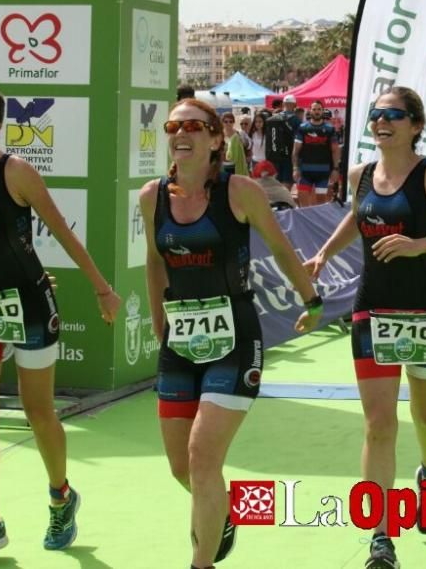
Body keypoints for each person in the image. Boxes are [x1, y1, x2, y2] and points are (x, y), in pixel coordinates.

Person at [305, 87, 426, 569]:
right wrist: (324, 252)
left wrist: (421, 244)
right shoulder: (361, 175)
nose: (381, 122)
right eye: (376, 115)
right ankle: (381, 537)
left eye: (393, 115)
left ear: (414, 125)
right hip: (373, 312)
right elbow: (357, 216)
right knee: (379, 425)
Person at [0, 83, 122, 560]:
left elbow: (62, 232)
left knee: (38, 412)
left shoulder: (16, 172)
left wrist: (102, 289)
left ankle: (61, 496)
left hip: (30, 306)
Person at [139, 98, 321, 569]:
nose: (182, 133)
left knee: (202, 457)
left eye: (194, 126)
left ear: (217, 139)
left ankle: (202, 563)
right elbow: (156, 261)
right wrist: (160, 323)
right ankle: (220, 517)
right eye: (174, 126)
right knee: (184, 468)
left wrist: (312, 300)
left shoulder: (240, 191)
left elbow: (281, 249)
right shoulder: (151, 196)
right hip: (179, 344)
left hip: (235, 337)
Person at [292, 100, 340, 207]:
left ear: (323, 111)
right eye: (314, 109)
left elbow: (335, 150)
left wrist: (336, 169)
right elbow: (295, 151)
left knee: (321, 206)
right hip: (305, 172)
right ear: (310, 111)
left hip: (323, 172)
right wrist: (295, 168)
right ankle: (305, 224)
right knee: (303, 206)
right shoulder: (303, 128)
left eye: (319, 109)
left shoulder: (330, 129)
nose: (317, 111)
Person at [265, 96, 299, 189]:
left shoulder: (273, 119)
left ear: (283, 104)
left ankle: (277, 202)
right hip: (289, 157)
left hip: (274, 156)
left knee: (275, 184)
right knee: (287, 184)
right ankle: (284, 202)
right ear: (295, 105)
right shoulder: (296, 120)